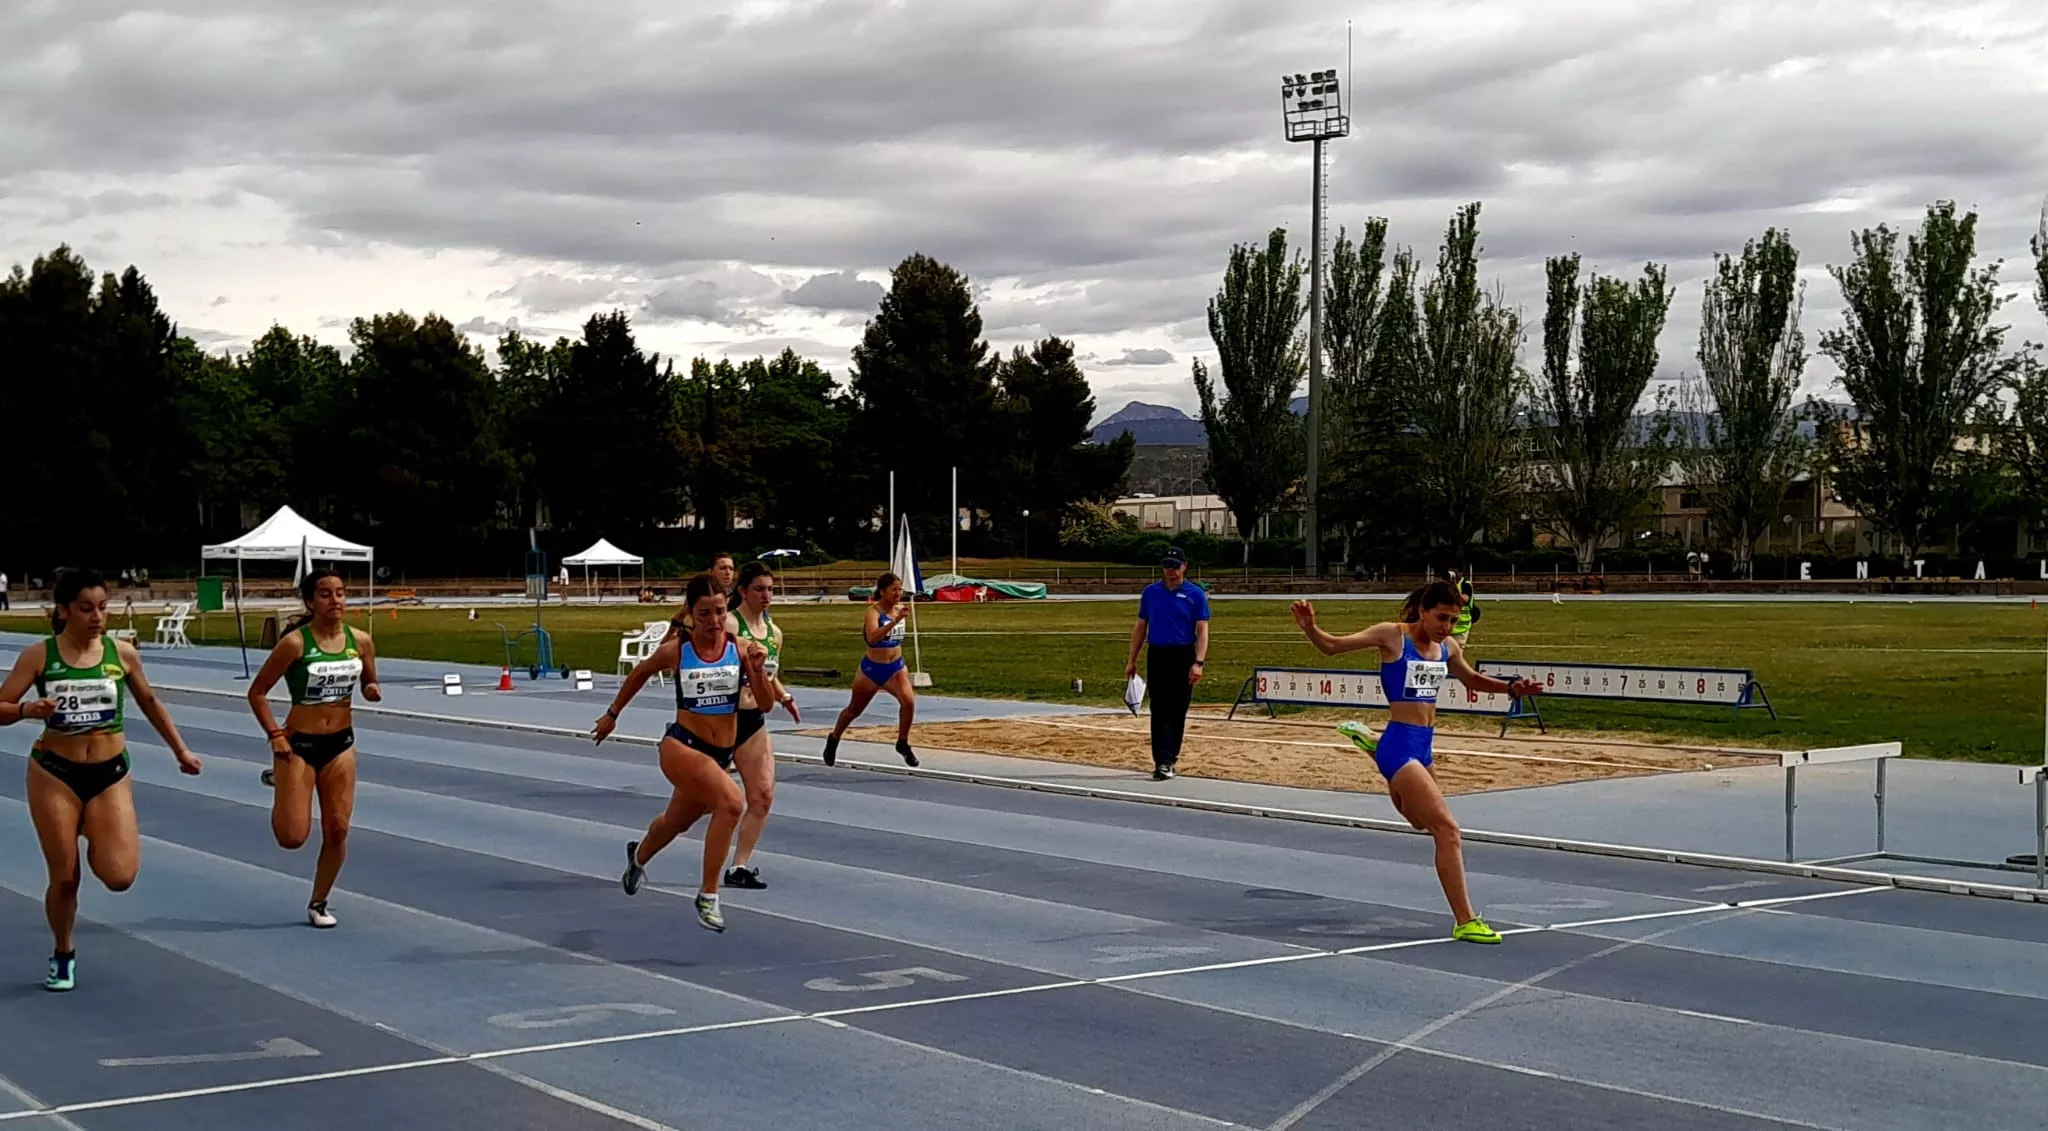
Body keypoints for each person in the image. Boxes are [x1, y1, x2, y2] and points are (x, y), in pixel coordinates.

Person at [1290, 580, 1543, 945]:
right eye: (1441, 618)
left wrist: (1511, 688)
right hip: (1401, 745)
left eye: (1454, 620)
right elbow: (1332, 647)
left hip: (1424, 745)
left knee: (1418, 823)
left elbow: (1471, 678)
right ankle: (1465, 920)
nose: (1446, 627)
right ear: (1423, 611)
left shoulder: (1448, 647)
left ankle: (1372, 749)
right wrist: (1311, 627)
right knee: (1448, 831)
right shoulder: (1393, 636)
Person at [0, 569, 203, 991]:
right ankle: (63, 952)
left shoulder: (123, 654)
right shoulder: (40, 656)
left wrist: (180, 750)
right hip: (54, 773)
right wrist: (25, 711)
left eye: (103, 608)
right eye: (86, 608)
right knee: (65, 876)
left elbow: (149, 701)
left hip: (109, 773)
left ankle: (98, 832)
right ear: (64, 611)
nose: (97, 617)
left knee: (120, 876)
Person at [596, 571, 772, 932]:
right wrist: (612, 715)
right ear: (691, 613)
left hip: (719, 755)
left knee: (676, 823)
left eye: (720, 612)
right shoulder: (679, 650)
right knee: (732, 803)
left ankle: (639, 857)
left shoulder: (739, 650)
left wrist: (757, 671)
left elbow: (765, 705)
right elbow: (640, 673)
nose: (714, 621)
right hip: (681, 746)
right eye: (705, 614)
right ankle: (708, 895)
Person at [246, 569, 380, 929]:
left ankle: (319, 902)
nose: (335, 600)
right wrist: (274, 733)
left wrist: (370, 690)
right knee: (292, 838)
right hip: (298, 746)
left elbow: (369, 680)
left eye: (340, 593)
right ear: (309, 601)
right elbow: (256, 693)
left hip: (341, 744)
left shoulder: (362, 641)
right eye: (325, 594)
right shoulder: (295, 644)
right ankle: (282, 778)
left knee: (338, 829)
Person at [722, 560, 800, 889]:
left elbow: (769, 675)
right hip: (722, 719)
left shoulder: (774, 633)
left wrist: (783, 697)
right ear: (743, 591)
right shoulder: (727, 624)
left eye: (770, 589)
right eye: (759, 589)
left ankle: (739, 867)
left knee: (763, 796)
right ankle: (644, 850)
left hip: (754, 720)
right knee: (691, 808)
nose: (767, 595)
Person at [1124, 546, 1210, 781]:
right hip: (1158, 653)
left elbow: (1202, 630)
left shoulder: (1195, 594)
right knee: (1159, 708)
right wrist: (1132, 659)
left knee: (1177, 709)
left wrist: (1198, 662)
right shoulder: (1151, 593)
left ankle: (1171, 756)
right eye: (1166, 566)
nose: (1170, 571)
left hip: (1183, 654)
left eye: (1175, 566)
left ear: (1184, 566)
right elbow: (1141, 626)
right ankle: (1162, 760)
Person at [820, 572, 919, 769]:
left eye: (900, 590)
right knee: (853, 711)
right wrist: (895, 621)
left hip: (895, 667)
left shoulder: (901, 609)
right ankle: (834, 738)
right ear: (882, 592)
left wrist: (899, 619)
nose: (898, 594)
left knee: (908, 702)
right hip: (872, 670)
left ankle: (902, 742)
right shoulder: (873, 612)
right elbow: (873, 638)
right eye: (894, 590)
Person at [1446, 568, 1478, 646]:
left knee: (1456, 653)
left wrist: (1455, 587)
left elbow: (1465, 600)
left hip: (1461, 627)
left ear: (1460, 573)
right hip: (1447, 625)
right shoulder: (1446, 584)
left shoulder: (1465, 584)